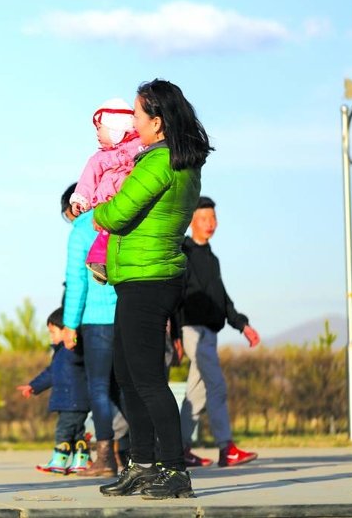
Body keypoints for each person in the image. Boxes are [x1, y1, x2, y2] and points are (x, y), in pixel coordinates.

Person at [93, 79, 212, 500]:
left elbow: (118, 212)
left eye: (140, 115)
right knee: (128, 374)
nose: (134, 123)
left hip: (148, 278)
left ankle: (175, 470)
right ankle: (142, 464)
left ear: (157, 123)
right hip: (143, 277)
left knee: (146, 379)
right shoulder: (178, 161)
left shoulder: (158, 162)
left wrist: (100, 210)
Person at [176, 196, 260, 468]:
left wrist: (242, 325)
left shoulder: (211, 258)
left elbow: (222, 299)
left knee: (196, 392)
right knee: (217, 386)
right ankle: (227, 448)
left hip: (210, 332)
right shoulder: (183, 253)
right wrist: (175, 335)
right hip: (191, 330)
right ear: (192, 221)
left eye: (213, 218)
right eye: (203, 218)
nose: (210, 223)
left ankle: (179, 448)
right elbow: (175, 298)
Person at [60, 182, 125, 478]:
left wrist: (70, 325)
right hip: (127, 317)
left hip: (97, 320)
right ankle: (139, 455)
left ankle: (105, 459)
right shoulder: (123, 218)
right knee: (128, 388)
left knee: (99, 388)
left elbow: (78, 283)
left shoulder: (82, 229)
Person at [69, 99, 142, 284]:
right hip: (109, 203)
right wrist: (81, 198)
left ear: (115, 128)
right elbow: (88, 179)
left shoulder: (141, 146)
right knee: (106, 235)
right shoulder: (100, 158)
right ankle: (101, 264)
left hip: (130, 201)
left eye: (100, 128)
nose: (97, 134)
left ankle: (107, 263)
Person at [17, 308, 91, 475]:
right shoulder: (59, 354)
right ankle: (81, 461)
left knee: (63, 431)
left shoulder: (74, 350)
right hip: (70, 401)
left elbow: (79, 357)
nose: (51, 337)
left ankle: (59, 461)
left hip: (73, 401)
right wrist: (34, 385)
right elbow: (51, 373)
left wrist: (74, 340)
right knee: (76, 432)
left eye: (53, 332)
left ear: (67, 330)